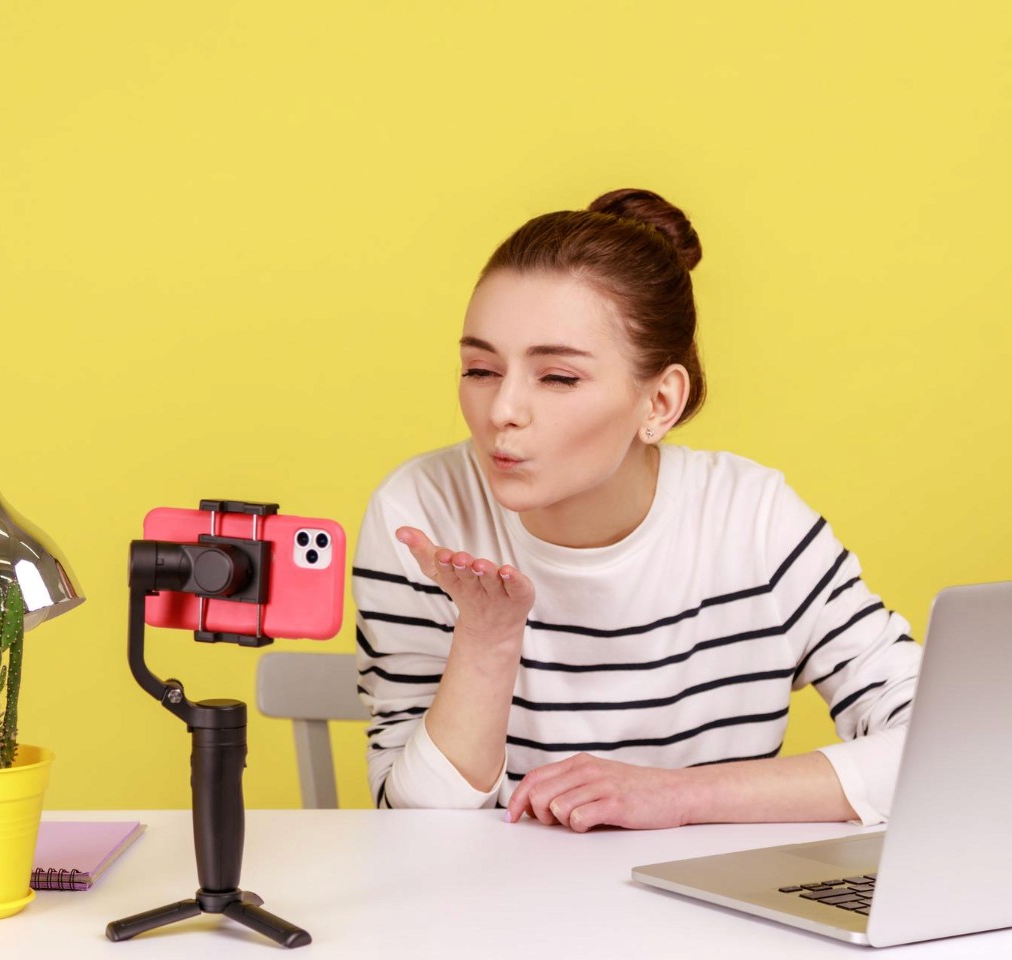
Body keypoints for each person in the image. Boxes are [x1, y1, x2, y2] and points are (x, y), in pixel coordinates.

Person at [352, 189, 921, 832]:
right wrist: (487, 636)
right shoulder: (422, 514)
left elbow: (942, 746)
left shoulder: (753, 519)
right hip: (497, 921)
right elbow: (412, 833)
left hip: (719, 920)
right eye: (480, 369)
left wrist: (681, 797)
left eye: (558, 377)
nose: (502, 410)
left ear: (659, 403)